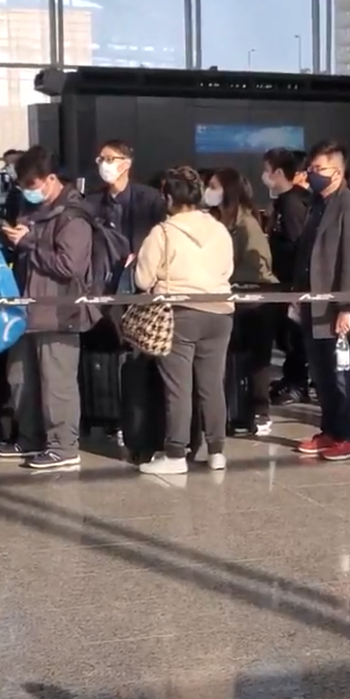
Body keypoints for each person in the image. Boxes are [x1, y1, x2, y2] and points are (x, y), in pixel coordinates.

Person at [0, 147, 97, 472]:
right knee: (21, 378)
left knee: (58, 382)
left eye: (32, 182)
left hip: (59, 310)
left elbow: (70, 266)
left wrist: (28, 243)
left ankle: (63, 445)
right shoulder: (31, 210)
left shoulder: (73, 216)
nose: (27, 189)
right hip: (28, 309)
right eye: (22, 183)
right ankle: (29, 437)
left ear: (52, 179)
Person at [134, 167, 237, 475]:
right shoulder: (219, 228)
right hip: (220, 311)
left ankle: (176, 454)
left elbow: (143, 279)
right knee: (212, 384)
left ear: (168, 197)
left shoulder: (162, 232)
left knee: (179, 387)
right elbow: (228, 269)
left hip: (179, 312)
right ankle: (216, 450)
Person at [294, 141, 350, 461]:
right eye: (311, 168)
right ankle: (330, 429)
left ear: (337, 173)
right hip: (313, 303)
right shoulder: (316, 204)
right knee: (322, 372)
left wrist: (347, 306)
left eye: (319, 169)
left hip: (338, 306)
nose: (312, 174)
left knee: (344, 373)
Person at [210, 167, 277, 436]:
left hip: (256, 300)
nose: (210, 191)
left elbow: (258, 265)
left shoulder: (246, 224)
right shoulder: (220, 222)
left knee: (256, 358)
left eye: (214, 186)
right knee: (235, 357)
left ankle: (260, 409)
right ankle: (237, 409)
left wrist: (227, 273)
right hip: (232, 298)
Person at [263, 148, 313, 403]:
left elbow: (297, 244)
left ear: (280, 173)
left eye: (268, 171)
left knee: (294, 336)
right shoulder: (285, 201)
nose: (266, 176)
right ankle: (291, 378)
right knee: (288, 335)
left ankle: (297, 383)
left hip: (292, 281)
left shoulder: (292, 203)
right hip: (285, 281)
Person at [90, 139, 164, 294]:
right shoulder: (92, 201)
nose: (104, 164)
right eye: (101, 160)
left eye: (110, 159)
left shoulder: (149, 199)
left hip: (139, 281)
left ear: (126, 163)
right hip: (103, 284)